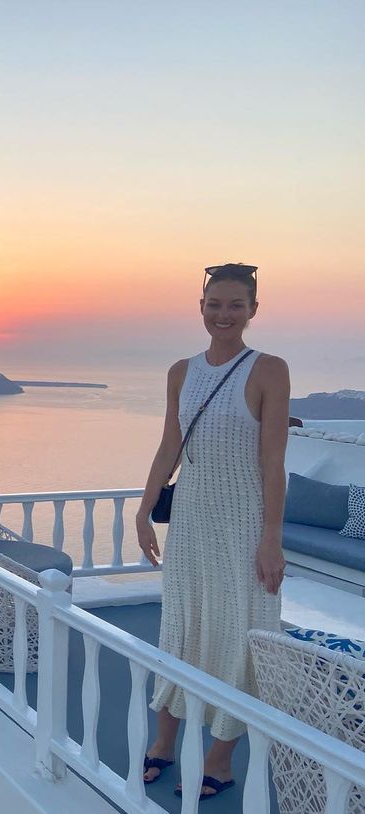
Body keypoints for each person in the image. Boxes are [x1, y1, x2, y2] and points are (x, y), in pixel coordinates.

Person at [135, 263, 290, 800]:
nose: (224, 315)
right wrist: (144, 509)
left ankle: (220, 761)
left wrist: (271, 538)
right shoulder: (181, 372)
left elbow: (273, 462)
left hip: (243, 523)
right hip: (191, 520)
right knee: (181, 626)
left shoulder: (269, 370)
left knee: (236, 631)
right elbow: (169, 446)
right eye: (214, 304)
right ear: (201, 307)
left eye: (235, 305)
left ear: (252, 310)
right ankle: (164, 743)